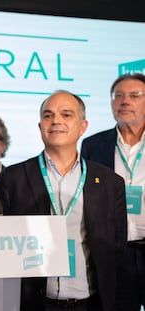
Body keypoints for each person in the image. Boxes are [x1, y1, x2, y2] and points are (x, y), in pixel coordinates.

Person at [0, 90, 127, 311]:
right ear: (40, 127)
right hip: (33, 303)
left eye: (66, 115)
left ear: (83, 126)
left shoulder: (109, 182)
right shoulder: (13, 179)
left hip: (91, 303)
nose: (56, 120)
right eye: (48, 115)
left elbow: (116, 246)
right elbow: (0, 244)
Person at [81, 73, 145, 311]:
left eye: (134, 96)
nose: (124, 101)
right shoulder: (93, 145)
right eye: (118, 96)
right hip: (114, 254)